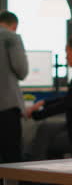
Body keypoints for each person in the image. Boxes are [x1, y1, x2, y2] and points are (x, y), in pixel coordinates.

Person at [25, 35, 72, 160]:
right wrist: (44, 103)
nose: (66, 57)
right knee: (46, 128)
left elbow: (67, 104)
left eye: (67, 52)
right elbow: (70, 99)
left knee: (46, 137)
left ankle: (35, 173)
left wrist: (37, 115)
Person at [0, 11, 28, 163]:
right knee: (12, 160)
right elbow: (21, 70)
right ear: (14, 25)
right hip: (6, 107)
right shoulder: (11, 37)